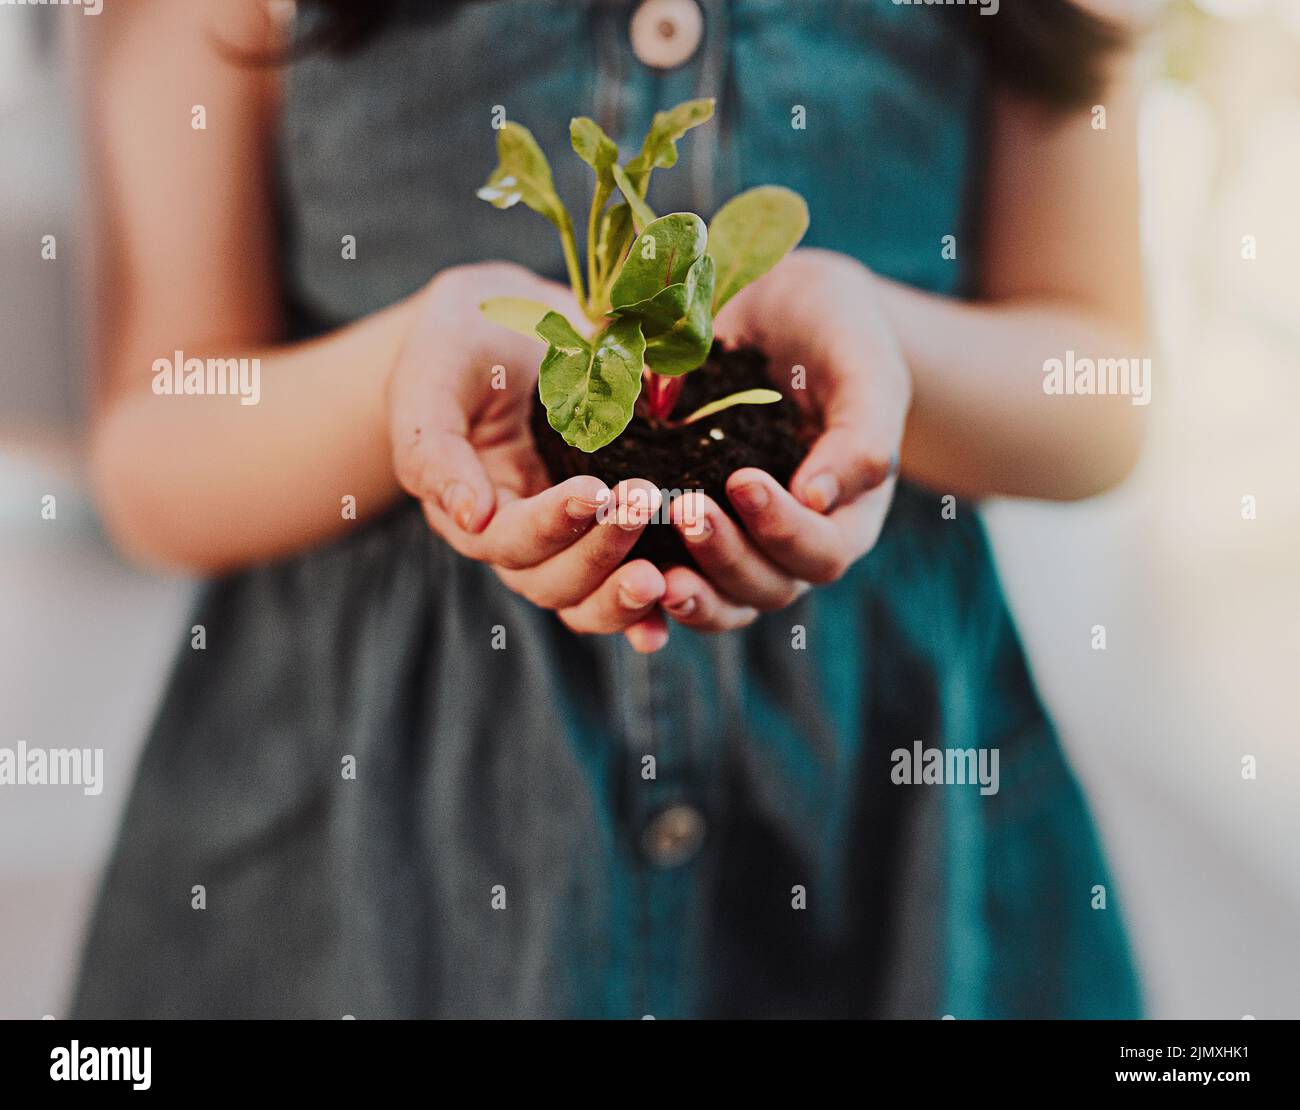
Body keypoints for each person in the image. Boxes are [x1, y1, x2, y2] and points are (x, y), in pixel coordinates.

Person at [73, 0, 1145, 1018]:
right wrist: (402, 374)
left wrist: (883, 347)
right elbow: (153, 455)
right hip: (364, 852)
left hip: (875, 815)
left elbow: (1102, 395)